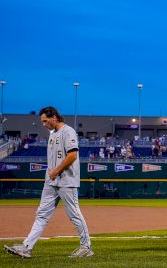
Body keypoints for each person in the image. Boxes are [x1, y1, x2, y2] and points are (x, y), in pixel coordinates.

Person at [4, 106, 93, 259]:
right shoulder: (53, 134)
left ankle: (86, 247)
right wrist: (51, 174)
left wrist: (56, 171)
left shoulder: (68, 131)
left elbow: (73, 155)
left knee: (74, 215)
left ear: (54, 117)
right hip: (51, 181)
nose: (44, 124)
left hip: (67, 181)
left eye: (45, 121)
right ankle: (26, 247)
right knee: (42, 215)